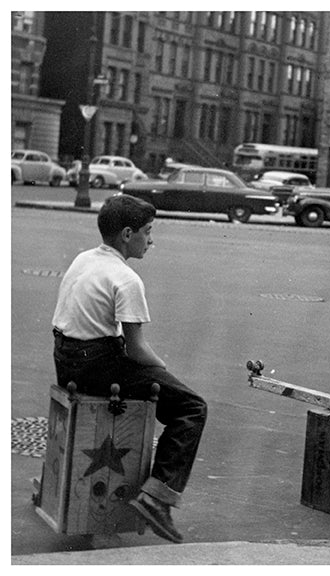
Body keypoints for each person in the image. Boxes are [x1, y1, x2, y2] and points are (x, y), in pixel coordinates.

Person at [52, 195, 207, 543]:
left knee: (169, 390)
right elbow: (137, 351)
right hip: (98, 366)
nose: (151, 240)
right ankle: (157, 498)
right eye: (147, 232)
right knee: (192, 407)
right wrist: (166, 370)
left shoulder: (84, 259)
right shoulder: (127, 279)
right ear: (126, 234)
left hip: (66, 360)